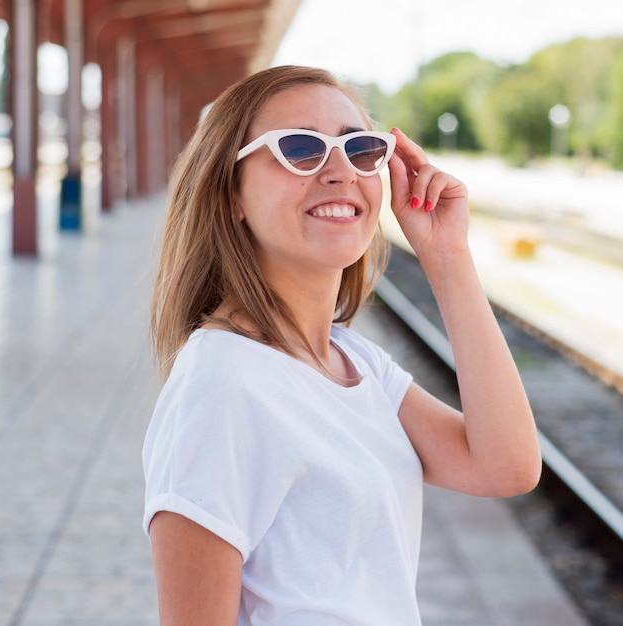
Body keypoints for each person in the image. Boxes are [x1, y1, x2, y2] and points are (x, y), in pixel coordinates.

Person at [142, 65, 541, 625]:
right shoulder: (220, 381)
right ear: (230, 192)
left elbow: (507, 466)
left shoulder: (353, 361)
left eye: (361, 148)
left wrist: (447, 256)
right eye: (300, 149)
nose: (340, 171)